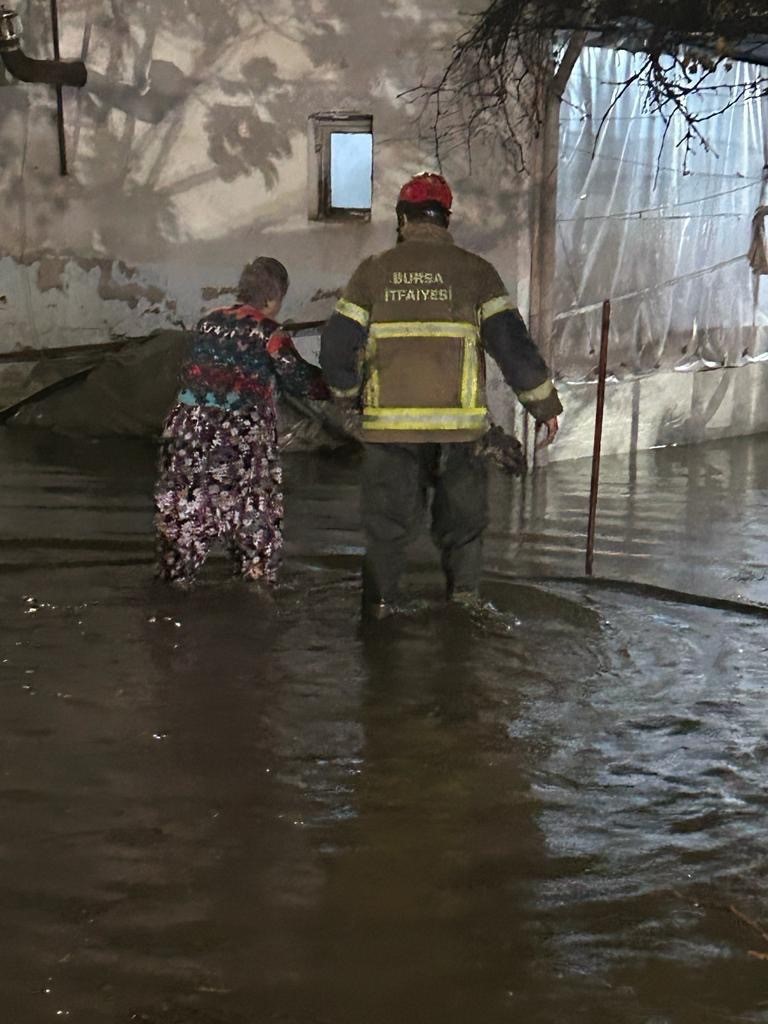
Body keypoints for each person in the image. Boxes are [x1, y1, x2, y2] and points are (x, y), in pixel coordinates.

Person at [319, 172, 562, 619]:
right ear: (446, 219)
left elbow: (336, 346)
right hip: (461, 435)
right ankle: (465, 610)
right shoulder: (476, 272)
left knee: (386, 534)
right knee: (465, 531)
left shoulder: (373, 272)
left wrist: (347, 399)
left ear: (402, 219)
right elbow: (511, 344)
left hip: (389, 435)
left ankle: (380, 612)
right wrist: (543, 405)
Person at [155, 256, 329, 586]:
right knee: (255, 532)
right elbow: (300, 381)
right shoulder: (269, 333)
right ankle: (254, 608)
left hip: (184, 433)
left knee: (181, 533)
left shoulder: (207, 321)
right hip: (237, 441)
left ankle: (168, 604)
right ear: (275, 297)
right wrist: (340, 385)